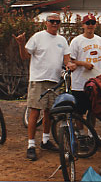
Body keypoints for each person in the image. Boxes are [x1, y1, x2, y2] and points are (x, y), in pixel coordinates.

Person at [13, 13, 75, 161]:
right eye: (52, 21)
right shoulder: (37, 37)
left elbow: (67, 60)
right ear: (46, 23)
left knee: (50, 113)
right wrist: (21, 44)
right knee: (35, 112)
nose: (54, 24)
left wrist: (70, 64)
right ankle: (31, 145)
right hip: (38, 80)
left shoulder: (62, 40)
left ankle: (45, 141)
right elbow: (24, 56)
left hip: (55, 81)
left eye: (57, 22)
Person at [69, 14, 101, 135]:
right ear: (83, 25)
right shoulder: (76, 41)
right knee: (79, 112)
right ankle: (81, 134)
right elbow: (70, 60)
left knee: (93, 110)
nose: (90, 26)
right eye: (88, 23)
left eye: (92, 23)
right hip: (79, 83)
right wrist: (84, 64)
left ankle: (91, 135)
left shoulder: (100, 40)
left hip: (95, 83)